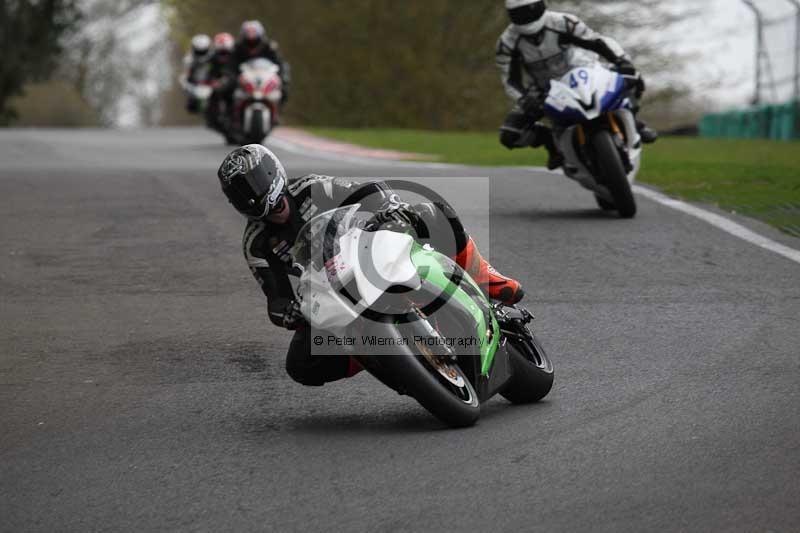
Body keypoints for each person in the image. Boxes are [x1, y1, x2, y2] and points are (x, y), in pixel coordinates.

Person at [217, 145, 524, 386]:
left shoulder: (311, 187)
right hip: (333, 291)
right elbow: (275, 297)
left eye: (259, 182)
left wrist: (390, 208)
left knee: (432, 212)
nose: (259, 196)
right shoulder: (255, 244)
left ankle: (486, 278)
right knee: (301, 365)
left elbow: (366, 190)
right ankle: (381, 355)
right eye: (246, 192)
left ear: (273, 172)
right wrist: (287, 313)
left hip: (369, 249)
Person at [496, 0, 658, 170]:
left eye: (530, 10)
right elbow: (509, 80)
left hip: (584, 70)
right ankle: (551, 143)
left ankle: (634, 122)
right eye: (519, 13)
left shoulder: (564, 22)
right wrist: (524, 99)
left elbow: (598, 42)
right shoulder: (507, 43)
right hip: (544, 89)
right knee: (509, 135)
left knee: (634, 78)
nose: (526, 16)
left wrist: (622, 61)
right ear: (511, 16)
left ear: (541, 6)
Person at [230, 20, 290, 105]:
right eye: (248, 32)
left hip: (265, 79)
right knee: (229, 89)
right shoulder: (238, 48)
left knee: (283, 90)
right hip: (244, 81)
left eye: (253, 31)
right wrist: (232, 77)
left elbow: (281, 63)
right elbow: (231, 65)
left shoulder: (268, 47)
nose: (251, 35)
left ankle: (277, 111)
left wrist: (283, 78)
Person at [205, 32, 236, 138]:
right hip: (217, 88)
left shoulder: (235, 56)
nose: (223, 55)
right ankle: (215, 121)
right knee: (210, 104)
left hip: (233, 87)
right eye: (221, 52)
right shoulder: (212, 58)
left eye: (225, 52)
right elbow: (207, 72)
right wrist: (212, 81)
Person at [179, 34, 212, 113]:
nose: (201, 53)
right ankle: (193, 103)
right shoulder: (189, 59)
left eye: (203, 51)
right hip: (195, 84)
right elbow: (185, 75)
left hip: (210, 82)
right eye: (199, 51)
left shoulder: (213, 57)